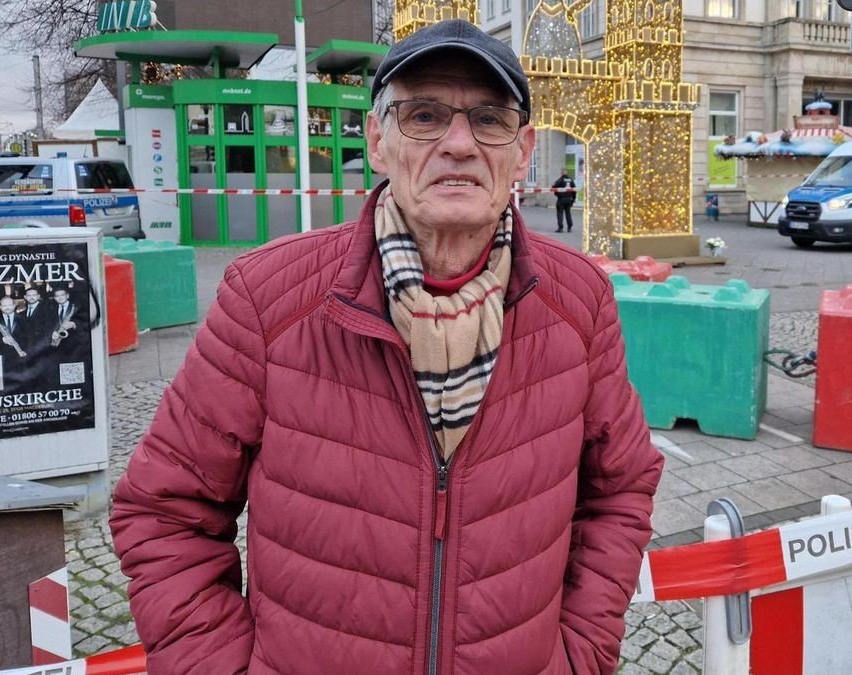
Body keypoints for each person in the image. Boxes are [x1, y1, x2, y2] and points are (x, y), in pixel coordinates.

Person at [110, 18, 662, 675]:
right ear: (378, 140)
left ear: (522, 151)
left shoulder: (580, 302)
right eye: (424, 115)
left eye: (489, 119)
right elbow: (165, 511)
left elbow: (621, 489)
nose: (459, 143)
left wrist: (581, 654)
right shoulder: (267, 300)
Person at [552, 167, 576, 232]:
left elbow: (554, 187)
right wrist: (573, 199)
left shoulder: (560, 179)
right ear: (567, 172)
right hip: (569, 199)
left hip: (561, 199)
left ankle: (560, 227)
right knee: (568, 213)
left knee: (560, 213)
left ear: (562, 172)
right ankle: (569, 227)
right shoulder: (571, 179)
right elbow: (574, 190)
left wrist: (557, 194)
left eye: (561, 171)